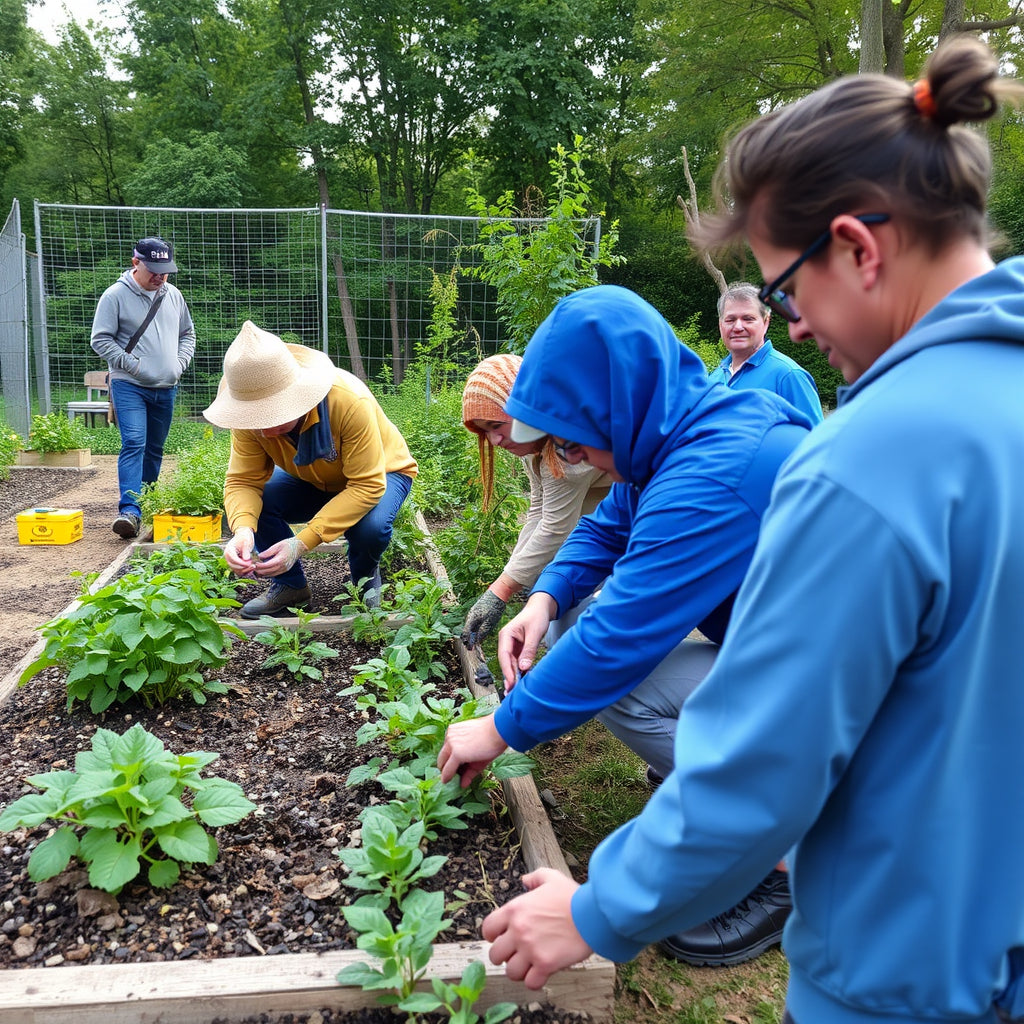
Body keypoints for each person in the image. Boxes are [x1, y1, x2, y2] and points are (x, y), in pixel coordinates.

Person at [477, 36, 1024, 1024]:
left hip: (908, 963)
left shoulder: (869, 459)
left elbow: (765, 762)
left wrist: (597, 909)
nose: (791, 327)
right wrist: (548, 589)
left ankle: (758, 883)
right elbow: (619, 525)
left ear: (859, 247)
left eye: (782, 289)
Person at [438, 283, 813, 966]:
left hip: (854, 700)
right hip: (788, 664)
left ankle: (791, 862)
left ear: (617, 402)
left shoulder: (718, 469)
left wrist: (497, 729)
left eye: (578, 448)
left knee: (617, 673)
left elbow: (619, 638)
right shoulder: (675, 434)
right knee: (624, 687)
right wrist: (543, 600)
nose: (578, 461)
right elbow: (605, 527)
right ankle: (741, 785)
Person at [203, 321, 418, 618]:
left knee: (369, 528)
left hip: (383, 473)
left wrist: (301, 543)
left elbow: (367, 486)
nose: (264, 432)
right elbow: (243, 481)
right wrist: (241, 530)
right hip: (312, 478)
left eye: (271, 415)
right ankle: (290, 586)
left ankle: (364, 582)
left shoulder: (348, 401)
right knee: (256, 503)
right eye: (256, 419)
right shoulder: (250, 422)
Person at [458, 353, 612, 649]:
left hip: (654, 515)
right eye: (484, 431)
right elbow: (538, 512)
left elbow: (556, 528)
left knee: (573, 623)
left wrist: (501, 590)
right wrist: (511, 577)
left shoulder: (567, 453)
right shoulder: (535, 442)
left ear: (526, 407)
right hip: (611, 501)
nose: (495, 441)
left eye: (496, 425)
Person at [90, 236, 196, 539]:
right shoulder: (115, 296)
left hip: (166, 386)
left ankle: (144, 505)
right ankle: (129, 511)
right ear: (136, 262)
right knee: (134, 442)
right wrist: (131, 364)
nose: (160, 277)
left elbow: (188, 334)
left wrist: (178, 365)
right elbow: (100, 339)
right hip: (129, 384)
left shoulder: (173, 295)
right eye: (153, 270)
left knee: (155, 448)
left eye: (165, 270)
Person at [707, 282, 823, 423]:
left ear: (766, 322)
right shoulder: (714, 378)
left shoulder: (788, 375)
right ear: (720, 325)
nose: (737, 327)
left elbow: (815, 440)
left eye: (748, 319)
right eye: (730, 320)